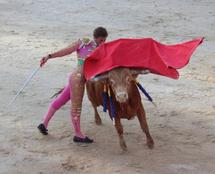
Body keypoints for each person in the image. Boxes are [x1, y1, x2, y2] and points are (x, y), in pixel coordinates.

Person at [37, 27, 108, 143]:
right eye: (102, 40)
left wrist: (49, 56)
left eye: (104, 41)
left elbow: (66, 50)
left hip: (74, 76)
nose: (103, 43)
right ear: (98, 38)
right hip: (79, 80)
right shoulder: (99, 49)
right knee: (76, 107)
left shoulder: (83, 42)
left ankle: (43, 123)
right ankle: (78, 135)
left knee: (60, 100)